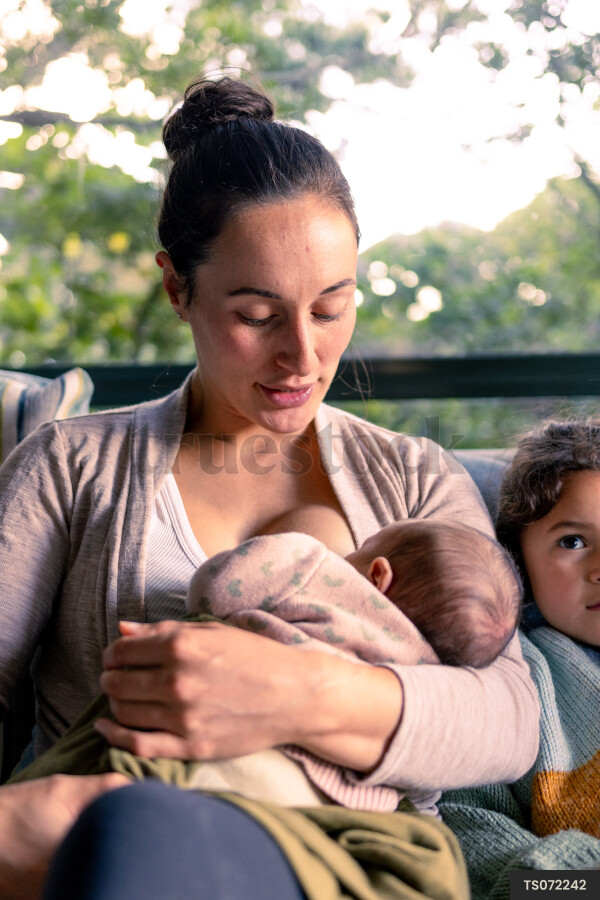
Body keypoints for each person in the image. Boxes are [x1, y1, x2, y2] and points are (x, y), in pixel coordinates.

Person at [0, 73, 539, 900]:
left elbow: (510, 721)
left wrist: (293, 693)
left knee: (119, 828)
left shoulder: (414, 479)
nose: (304, 357)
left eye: (332, 307)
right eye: (257, 315)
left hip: (347, 858)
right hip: (135, 828)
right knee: (127, 825)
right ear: (177, 286)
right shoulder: (71, 467)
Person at [10, 518, 521, 814]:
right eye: (255, 322)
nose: (300, 354)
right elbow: (425, 781)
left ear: (378, 574)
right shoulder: (429, 666)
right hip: (326, 813)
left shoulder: (313, 565)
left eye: (325, 321)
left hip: (199, 765)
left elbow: (216, 586)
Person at [439, 420, 600, 898]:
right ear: (518, 563)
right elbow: (470, 835)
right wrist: (580, 883)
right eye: (572, 542)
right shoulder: (503, 679)